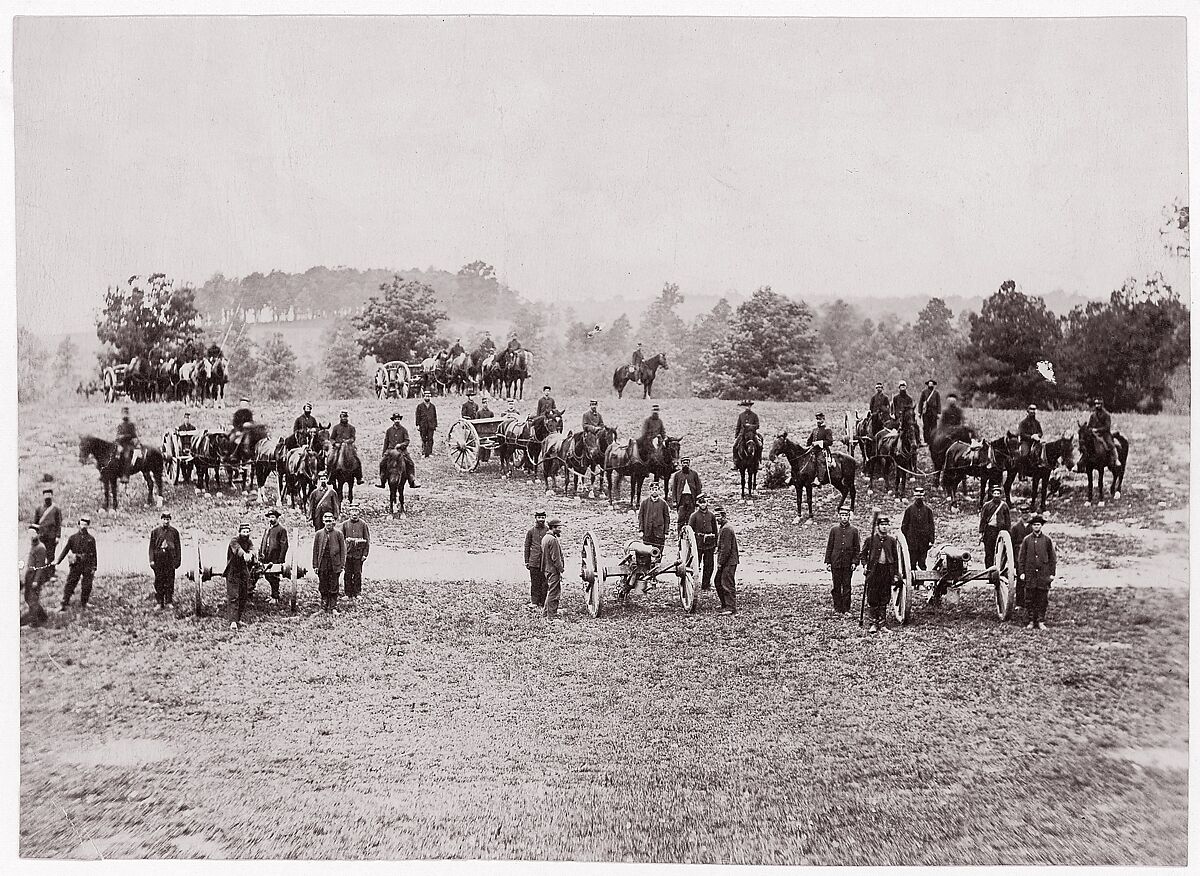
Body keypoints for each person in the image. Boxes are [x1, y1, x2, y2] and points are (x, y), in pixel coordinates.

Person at [859, 515, 900, 633]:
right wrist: (865, 565)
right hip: (873, 571)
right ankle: (873, 623)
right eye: (882, 525)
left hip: (886, 571)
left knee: (884, 596)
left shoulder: (891, 541)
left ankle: (882, 624)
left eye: (887, 525)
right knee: (873, 596)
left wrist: (895, 574)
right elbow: (862, 554)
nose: (885, 527)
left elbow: (896, 558)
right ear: (878, 527)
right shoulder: (870, 539)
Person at [1018, 514, 1056, 630]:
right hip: (1030, 574)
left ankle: (1040, 621)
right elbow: (1021, 558)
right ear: (1032, 526)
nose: (1036, 527)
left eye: (1038, 525)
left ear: (1041, 526)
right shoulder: (1027, 540)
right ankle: (1030, 620)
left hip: (1043, 574)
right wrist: (1022, 573)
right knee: (1029, 598)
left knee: (1042, 599)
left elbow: (1052, 559)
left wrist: (1052, 573)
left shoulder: (1047, 540)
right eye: (1034, 525)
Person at [56, 515, 98, 611]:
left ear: (88, 526)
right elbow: (65, 550)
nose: (83, 526)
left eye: (85, 524)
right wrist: (58, 561)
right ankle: (64, 602)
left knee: (87, 584)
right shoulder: (73, 538)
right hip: (76, 564)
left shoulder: (91, 539)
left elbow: (94, 554)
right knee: (70, 583)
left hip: (87, 564)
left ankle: (84, 602)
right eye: (82, 524)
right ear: (78, 524)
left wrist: (94, 567)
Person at [824, 508, 861, 613]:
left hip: (848, 563)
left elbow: (857, 548)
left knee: (847, 586)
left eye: (846, 516)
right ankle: (837, 607)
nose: (844, 518)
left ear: (849, 517)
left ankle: (846, 608)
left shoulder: (854, 531)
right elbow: (829, 546)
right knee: (836, 586)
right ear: (839, 517)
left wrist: (854, 562)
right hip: (836, 562)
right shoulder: (834, 530)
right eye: (842, 516)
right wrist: (828, 562)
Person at [223, 521, 257, 631]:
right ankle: (232, 621)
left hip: (243, 572)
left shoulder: (249, 541)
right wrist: (245, 555)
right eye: (243, 532)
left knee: (243, 595)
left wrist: (252, 554)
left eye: (247, 532)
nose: (246, 534)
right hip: (233, 572)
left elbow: (252, 549)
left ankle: (238, 618)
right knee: (234, 596)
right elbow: (237, 550)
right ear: (239, 532)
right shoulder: (234, 541)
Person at [313, 511, 346, 614]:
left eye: (330, 521)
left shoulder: (338, 534)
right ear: (323, 522)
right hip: (322, 563)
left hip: (334, 564)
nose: (328, 524)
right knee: (323, 585)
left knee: (333, 585)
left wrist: (342, 565)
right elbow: (315, 551)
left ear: (334, 522)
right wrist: (315, 565)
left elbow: (343, 551)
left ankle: (333, 607)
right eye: (326, 521)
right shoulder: (318, 534)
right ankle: (323, 607)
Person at [148, 510, 181, 610]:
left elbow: (178, 548)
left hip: (170, 559)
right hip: (159, 560)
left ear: (170, 520)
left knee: (170, 580)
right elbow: (151, 547)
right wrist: (151, 560)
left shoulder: (174, 532)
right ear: (161, 520)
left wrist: (178, 561)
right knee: (159, 581)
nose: (166, 521)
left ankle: (169, 601)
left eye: (168, 519)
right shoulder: (155, 532)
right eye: (164, 519)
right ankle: (159, 602)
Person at [378, 412, 420, 489]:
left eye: (398, 419)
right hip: (390, 451)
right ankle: (382, 480)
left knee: (410, 463)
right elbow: (386, 442)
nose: (397, 421)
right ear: (393, 420)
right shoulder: (389, 430)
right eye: (395, 419)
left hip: (401, 451)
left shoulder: (404, 430)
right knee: (382, 463)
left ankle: (412, 480)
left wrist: (401, 445)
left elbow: (407, 441)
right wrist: (384, 453)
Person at [687, 495, 719, 591]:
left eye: (704, 502)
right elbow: (689, 531)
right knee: (696, 565)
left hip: (709, 544)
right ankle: (694, 583)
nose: (703, 505)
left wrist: (715, 544)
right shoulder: (694, 516)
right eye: (701, 503)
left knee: (709, 565)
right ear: (698, 504)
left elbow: (715, 530)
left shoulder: (711, 515)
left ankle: (706, 584)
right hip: (698, 545)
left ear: (707, 503)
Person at [21, 524, 50, 627]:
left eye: (33, 533)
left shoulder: (40, 547)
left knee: (32, 600)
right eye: (29, 533)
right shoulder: (33, 545)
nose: (31, 535)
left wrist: (36, 581)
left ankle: (34, 623)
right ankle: (43, 616)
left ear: (38, 534)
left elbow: (40, 567)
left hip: (35, 578)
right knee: (29, 598)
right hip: (29, 576)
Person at [900, 486, 935, 571]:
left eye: (921, 496)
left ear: (923, 497)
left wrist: (931, 540)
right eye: (917, 496)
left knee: (922, 563)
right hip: (912, 542)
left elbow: (931, 526)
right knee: (912, 562)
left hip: (924, 542)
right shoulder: (909, 510)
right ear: (914, 496)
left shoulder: (928, 510)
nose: (919, 498)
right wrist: (908, 538)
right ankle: (913, 581)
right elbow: (904, 526)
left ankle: (921, 583)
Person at [341, 504, 370, 601]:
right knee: (347, 573)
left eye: (356, 511)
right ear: (349, 513)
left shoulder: (363, 524)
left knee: (357, 573)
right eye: (352, 511)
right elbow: (340, 540)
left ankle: (357, 592)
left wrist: (365, 554)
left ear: (359, 513)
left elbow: (367, 540)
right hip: (348, 554)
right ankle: (348, 593)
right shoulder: (345, 524)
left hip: (358, 554)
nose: (354, 513)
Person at [259, 508, 289, 602]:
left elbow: (284, 545)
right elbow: (263, 542)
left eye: (273, 517)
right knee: (267, 575)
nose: (271, 519)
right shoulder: (267, 529)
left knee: (274, 577)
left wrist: (280, 560)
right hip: (266, 556)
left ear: (277, 518)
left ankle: (275, 597)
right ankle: (272, 595)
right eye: (269, 517)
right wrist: (261, 553)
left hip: (275, 557)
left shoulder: (281, 530)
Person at [979, 485, 1011, 570]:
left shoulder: (1004, 506)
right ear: (992, 494)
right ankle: (989, 572)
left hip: (1001, 531)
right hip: (990, 531)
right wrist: (981, 532)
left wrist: (1008, 532)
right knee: (989, 552)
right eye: (995, 493)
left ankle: (999, 570)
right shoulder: (987, 505)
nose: (996, 495)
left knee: (1001, 552)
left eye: (998, 493)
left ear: (1001, 495)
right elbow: (983, 519)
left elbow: (1008, 520)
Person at [714, 505, 739, 616]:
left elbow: (726, 549)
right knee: (718, 581)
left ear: (724, 516)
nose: (716, 519)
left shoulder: (727, 529)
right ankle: (725, 605)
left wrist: (720, 563)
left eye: (718, 516)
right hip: (727, 561)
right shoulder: (723, 528)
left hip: (729, 562)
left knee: (727, 584)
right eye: (715, 516)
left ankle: (731, 607)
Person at [541, 517, 566, 620]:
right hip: (553, 570)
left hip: (547, 569)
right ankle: (552, 617)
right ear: (553, 528)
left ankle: (546, 613)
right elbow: (555, 558)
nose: (560, 529)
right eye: (559, 527)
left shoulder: (545, 538)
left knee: (550, 591)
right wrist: (561, 569)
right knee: (554, 593)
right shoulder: (553, 540)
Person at [328, 409, 363, 484]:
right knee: (331, 458)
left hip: (349, 447)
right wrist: (334, 443)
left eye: (346, 417)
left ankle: (359, 477)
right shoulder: (336, 427)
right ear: (340, 417)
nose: (344, 418)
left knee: (357, 459)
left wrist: (348, 441)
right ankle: (330, 476)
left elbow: (353, 438)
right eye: (343, 417)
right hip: (338, 447)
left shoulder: (351, 428)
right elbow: (331, 438)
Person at [670, 457, 702, 535]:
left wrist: (698, 499)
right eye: (684, 463)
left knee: (691, 518)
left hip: (691, 498)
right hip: (681, 499)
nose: (685, 464)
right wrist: (674, 501)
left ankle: (690, 537)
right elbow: (674, 488)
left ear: (689, 464)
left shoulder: (694, 474)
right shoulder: (677, 475)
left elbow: (698, 487)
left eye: (687, 463)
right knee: (681, 519)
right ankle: (680, 537)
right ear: (681, 464)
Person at [524, 509, 548, 610]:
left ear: (545, 518)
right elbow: (526, 546)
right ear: (535, 519)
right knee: (534, 582)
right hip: (533, 561)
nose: (541, 520)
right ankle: (534, 601)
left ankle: (543, 602)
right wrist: (527, 561)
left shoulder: (548, 531)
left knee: (544, 582)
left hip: (545, 562)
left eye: (542, 518)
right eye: (539, 518)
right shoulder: (531, 531)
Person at [638, 480, 671, 552]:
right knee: (647, 550)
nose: (654, 491)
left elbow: (667, 518)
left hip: (659, 532)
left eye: (656, 489)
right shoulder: (644, 503)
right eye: (652, 490)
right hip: (647, 531)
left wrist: (666, 532)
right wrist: (641, 530)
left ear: (659, 491)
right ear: (650, 491)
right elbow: (640, 517)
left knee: (658, 550)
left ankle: (657, 562)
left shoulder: (663, 503)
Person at [33, 486, 62, 563]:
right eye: (46, 495)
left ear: (52, 496)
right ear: (43, 496)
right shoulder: (38, 508)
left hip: (51, 535)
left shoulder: (56, 509)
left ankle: (50, 571)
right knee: (40, 553)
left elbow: (59, 523)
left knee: (50, 554)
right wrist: (34, 534)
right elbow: (35, 522)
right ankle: (41, 571)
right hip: (41, 535)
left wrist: (58, 536)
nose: (47, 496)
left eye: (49, 494)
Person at [1009, 510, 1030, 610]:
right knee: (1020, 580)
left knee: (1031, 579)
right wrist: (1013, 559)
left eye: (1027, 512)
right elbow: (1011, 545)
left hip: (1030, 556)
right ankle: (1019, 603)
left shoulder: (1032, 527)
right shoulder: (1016, 528)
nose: (1025, 515)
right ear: (1020, 514)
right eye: (1023, 513)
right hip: (1019, 556)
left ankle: (1030, 602)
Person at [806, 413, 835, 485]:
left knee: (820, 461)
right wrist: (808, 446)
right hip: (813, 450)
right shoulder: (814, 430)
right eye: (817, 419)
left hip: (823, 450)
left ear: (823, 419)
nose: (818, 421)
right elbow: (809, 441)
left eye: (820, 419)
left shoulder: (827, 430)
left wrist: (819, 442)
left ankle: (819, 479)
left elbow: (830, 442)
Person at [1087, 398, 1116, 465]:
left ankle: (1115, 459)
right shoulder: (1093, 415)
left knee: (1110, 444)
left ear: (1102, 405)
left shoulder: (1106, 415)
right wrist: (1090, 429)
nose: (1097, 406)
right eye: (1096, 404)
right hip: (1094, 434)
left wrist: (1097, 429)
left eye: (1099, 404)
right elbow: (1089, 425)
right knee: (1086, 444)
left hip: (1104, 434)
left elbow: (1107, 427)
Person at [115, 405, 140, 472]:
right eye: (124, 413)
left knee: (128, 454)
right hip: (121, 443)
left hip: (129, 444)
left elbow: (134, 435)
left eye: (126, 413)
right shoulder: (120, 425)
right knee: (116, 453)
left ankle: (127, 470)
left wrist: (131, 437)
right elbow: (117, 436)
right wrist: (121, 437)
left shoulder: (131, 425)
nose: (125, 415)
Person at [416, 391, 438, 458]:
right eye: (426, 396)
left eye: (428, 396)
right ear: (424, 397)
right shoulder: (420, 406)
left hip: (431, 425)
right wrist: (417, 425)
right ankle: (424, 453)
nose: (427, 397)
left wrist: (435, 425)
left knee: (430, 439)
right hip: (423, 425)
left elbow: (435, 416)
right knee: (423, 439)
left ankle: (429, 452)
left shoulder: (432, 406)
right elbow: (417, 416)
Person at [918, 379, 940, 445]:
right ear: (927, 384)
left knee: (934, 427)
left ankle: (933, 440)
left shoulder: (936, 393)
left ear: (933, 385)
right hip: (926, 412)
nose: (930, 385)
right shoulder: (924, 392)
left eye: (932, 384)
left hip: (934, 412)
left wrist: (939, 413)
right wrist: (919, 412)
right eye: (929, 384)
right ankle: (926, 441)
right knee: (926, 427)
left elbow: (939, 403)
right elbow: (920, 402)